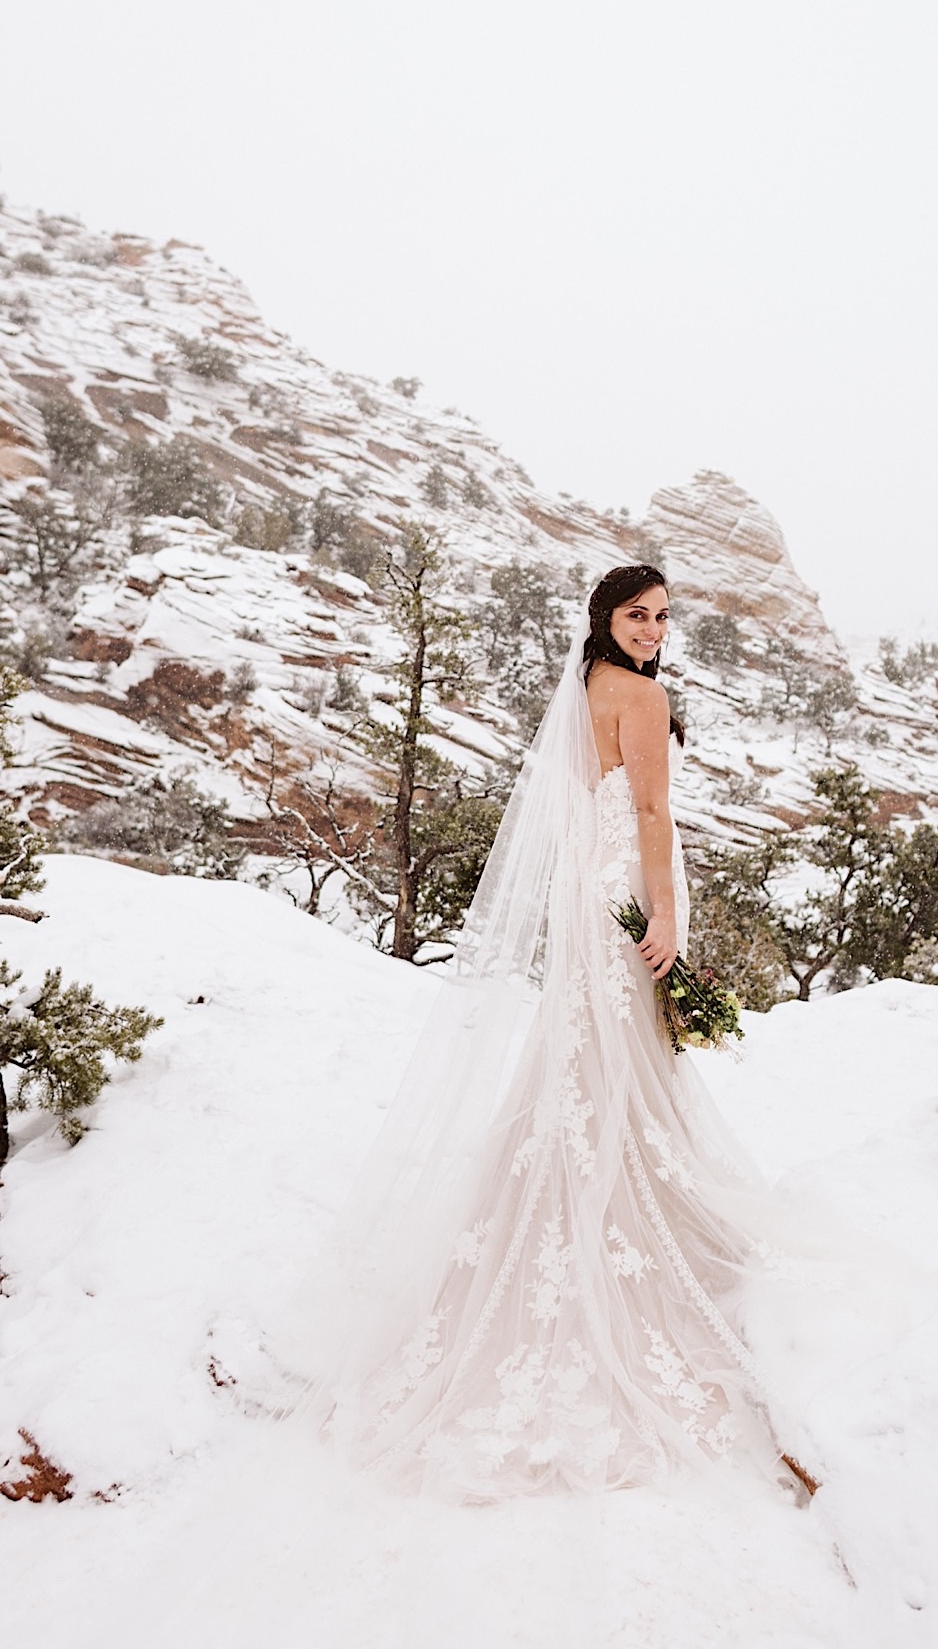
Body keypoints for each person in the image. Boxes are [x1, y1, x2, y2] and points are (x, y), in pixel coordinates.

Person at [280, 566, 830, 1502]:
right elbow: (652, 813)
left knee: (588, 1060)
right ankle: (615, 1227)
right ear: (605, 618)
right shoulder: (642, 697)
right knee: (610, 1063)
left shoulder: (583, 687)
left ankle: (583, 1201)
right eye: (637, 614)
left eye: (662, 617)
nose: (654, 630)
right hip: (629, 896)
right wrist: (661, 916)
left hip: (588, 897)